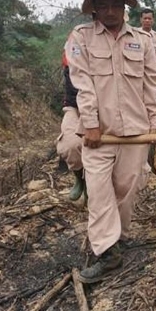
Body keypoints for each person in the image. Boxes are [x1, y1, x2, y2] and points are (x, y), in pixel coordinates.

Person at [66, 0, 156, 283]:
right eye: (102, 5)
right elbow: (81, 82)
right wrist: (91, 123)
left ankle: (117, 238)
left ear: (125, 8)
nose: (109, 11)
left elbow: (151, 85)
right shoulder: (81, 38)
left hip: (135, 131)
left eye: (115, 5)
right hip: (99, 134)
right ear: (94, 9)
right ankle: (107, 253)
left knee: (127, 189)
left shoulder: (143, 41)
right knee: (98, 191)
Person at [55, 43, 85, 201]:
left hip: (104, 106)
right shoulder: (73, 50)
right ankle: (80, 178)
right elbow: (73, 90)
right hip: (75, 106)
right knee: (69, 145)